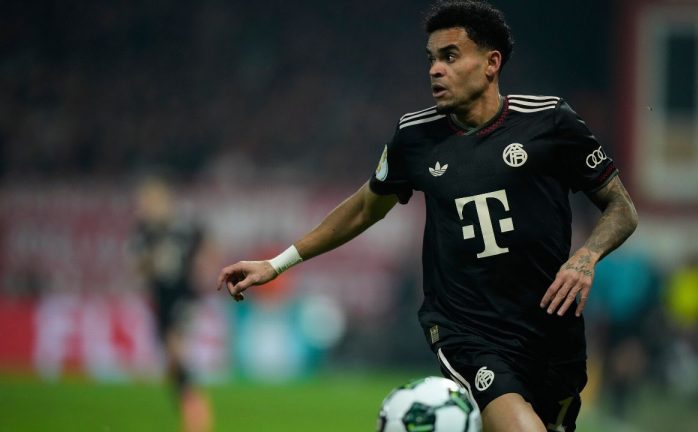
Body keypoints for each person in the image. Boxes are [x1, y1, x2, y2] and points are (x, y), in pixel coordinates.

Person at [217, 1, 638, 431]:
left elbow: (622, 208)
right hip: (468, 331)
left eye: (450, 56)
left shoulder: (550, 122)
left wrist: (586, 257)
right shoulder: (416, 136)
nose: (435, 70)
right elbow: (364, 208)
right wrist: (277, 263)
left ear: (491, 63)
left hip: (551, 330)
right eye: (432, 59)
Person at [131, 176, 212, 432]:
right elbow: (139, 269)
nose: (145, 208)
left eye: (150, 202)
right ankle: (188, 405)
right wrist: (149, 262)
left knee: (176, 350)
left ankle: (196, 410)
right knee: (170, 361)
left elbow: (208, 244)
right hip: (160, 299)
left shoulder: (183, 227)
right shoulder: (143, 233)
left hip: (183, 295)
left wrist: (203, 268)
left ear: (164, 202)